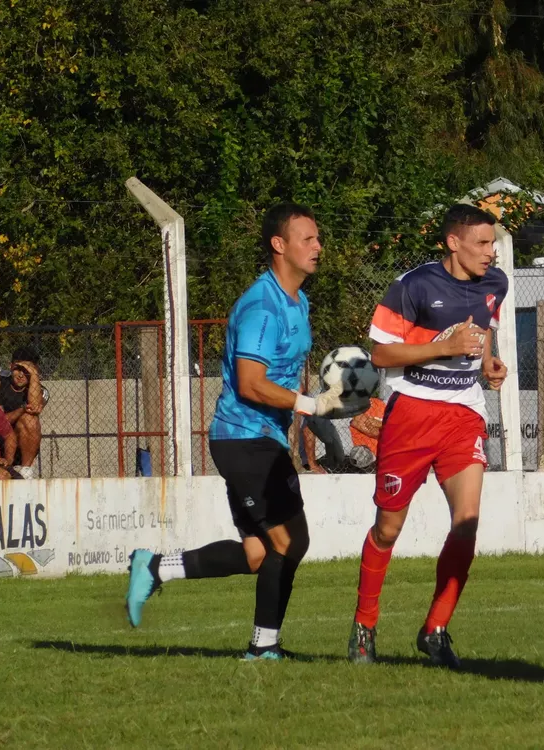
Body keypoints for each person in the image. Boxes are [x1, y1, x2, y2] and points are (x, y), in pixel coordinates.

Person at [125, 203, 366, 660]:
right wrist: (311, 404)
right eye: (307, 239)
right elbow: (253, 384)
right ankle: (263, 647)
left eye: (318, 238)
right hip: (243, 438)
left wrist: (332, 398)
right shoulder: (261, 306)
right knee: (290, 542)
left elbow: (282, 375)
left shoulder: (299, 301)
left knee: (259, 553)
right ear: (280, 245)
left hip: (263, 439)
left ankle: (156, 567)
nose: (318, 246)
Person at [347, 203, 509, 668]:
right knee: (388, 528)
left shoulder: (494, 283)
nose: (490, 252)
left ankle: (436, 628)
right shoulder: (414, 286)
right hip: (413, 413)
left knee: (468, 521)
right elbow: (380, 355)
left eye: (493, 243)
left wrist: (485, 364)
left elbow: (484, 331)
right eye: (481, 243)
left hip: (463, 413)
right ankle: (364, 624)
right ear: (452, 242)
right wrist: (446, 347)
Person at [0, 346, 49, 479]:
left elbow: (33, 407)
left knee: (30, 419)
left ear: (35, 370)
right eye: (18, 369)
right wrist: (22, 409)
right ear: (10, 366)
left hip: (22, 444)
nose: (22, 374)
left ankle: (26, 471)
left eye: (27, 370)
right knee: (26, 416)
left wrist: (34, 375)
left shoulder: (42, 391)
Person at [348, 396, 386, 470]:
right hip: (363, 458)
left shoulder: (380, 403)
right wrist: (385, 426)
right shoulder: (352, 405)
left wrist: (381, 424)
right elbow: (373, 432)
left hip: (383, 457)